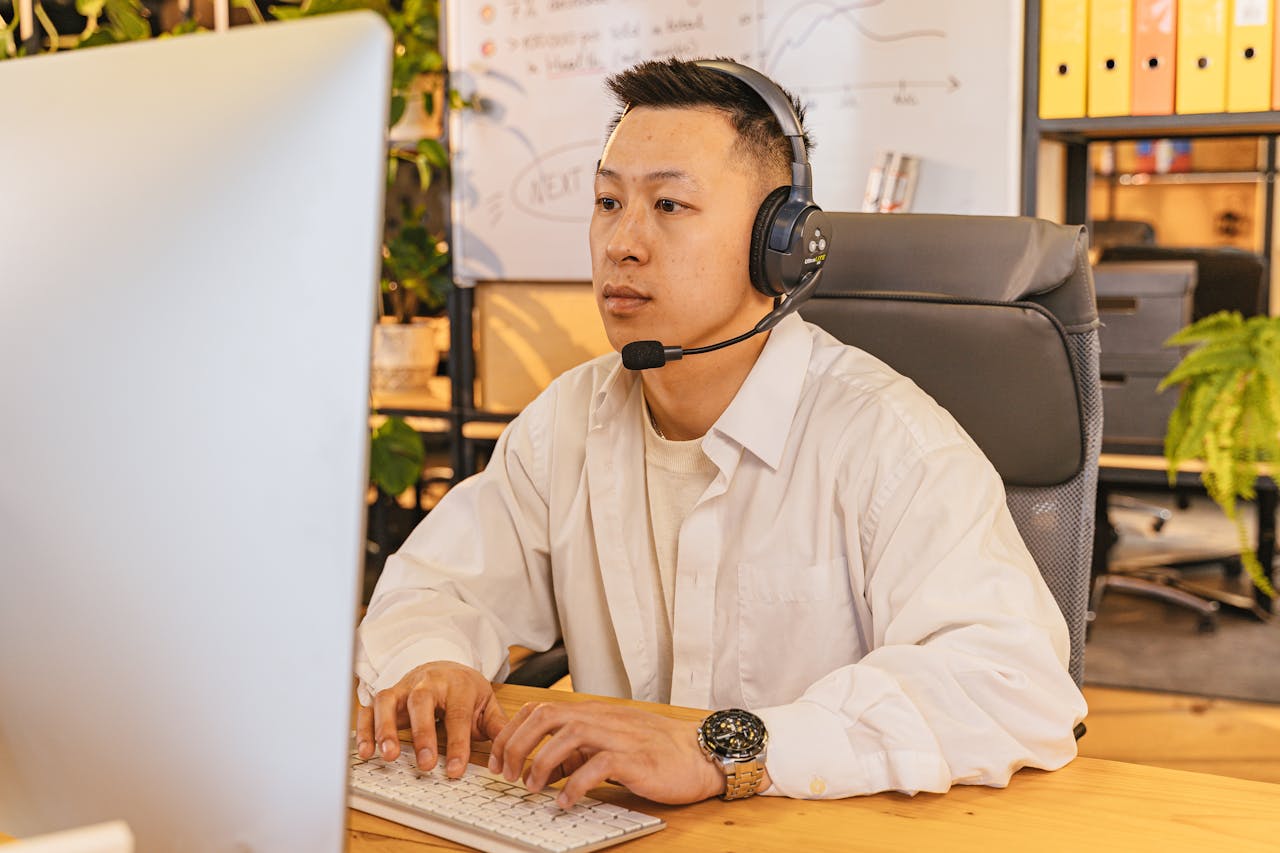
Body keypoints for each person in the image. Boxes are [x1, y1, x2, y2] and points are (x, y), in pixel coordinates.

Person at [354, 57, 1087, 808]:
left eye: (669, 205)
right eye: (608, 202)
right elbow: (436, 586)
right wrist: (432, 661)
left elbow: (1014, 682)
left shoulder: (889, 442)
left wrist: (724, 748)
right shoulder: (568, 422)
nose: (622, 242)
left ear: (780, 243)